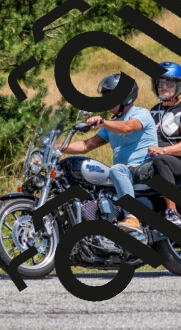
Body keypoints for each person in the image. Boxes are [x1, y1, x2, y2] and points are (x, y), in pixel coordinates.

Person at [58, 73, 157, 232]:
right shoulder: (113, 124)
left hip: (144, 169)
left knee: (116, 169)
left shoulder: (141, 113)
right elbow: (86, 145)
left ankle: (132, 216)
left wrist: (103, 122)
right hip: (126, 172)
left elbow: (128, 127)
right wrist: (57, 146)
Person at [147, 62, 181, 228]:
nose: (164, 87)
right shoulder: (153, 110)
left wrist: (163, 150)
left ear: (178, 86)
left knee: (160, 160)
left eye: (169, 83)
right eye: (160, 83)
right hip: (155, 160)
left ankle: (172, 212)